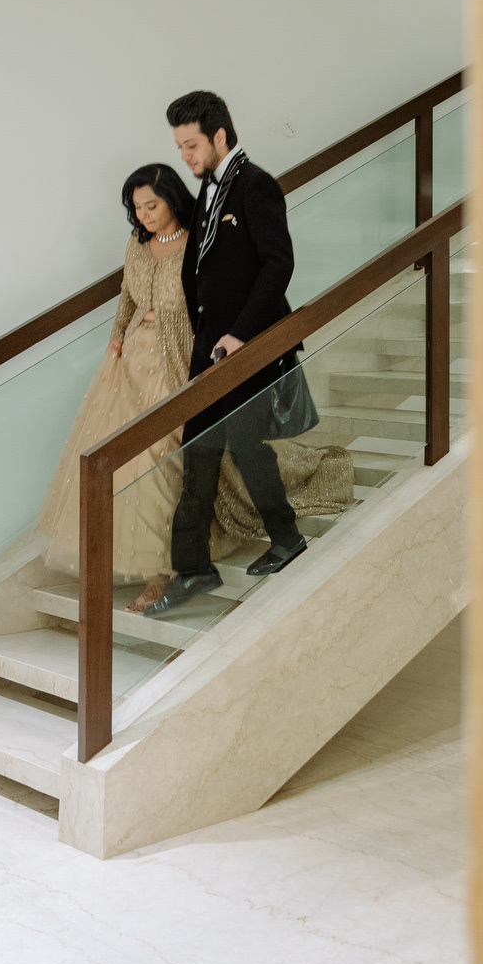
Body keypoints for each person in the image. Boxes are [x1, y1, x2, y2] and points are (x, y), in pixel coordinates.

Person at [38, 161, 345, 613]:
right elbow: (127, 294)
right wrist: (118, 334)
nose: (143, 215)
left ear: (173, 200)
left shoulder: (200, 242)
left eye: (152, 205)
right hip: (131, 364)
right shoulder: (137, 244)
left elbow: (230, 293)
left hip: (182, 358)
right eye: (136, 207)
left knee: (166, 459)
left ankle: (168, 569)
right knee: (123, 461)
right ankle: (157, 562)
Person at [144, 89, 311, 615]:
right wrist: (204, 333)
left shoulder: (256, 185)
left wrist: (239, 334)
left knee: (244, 444)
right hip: (211, 347)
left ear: (220, 135)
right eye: (179, 147)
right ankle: (194, 567)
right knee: (200, 449)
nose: (185, 156)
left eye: (192, 145)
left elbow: (278, 264)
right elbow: (202, 267)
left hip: (249, 344)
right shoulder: (209, 189)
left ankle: (286, 538)